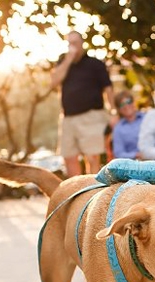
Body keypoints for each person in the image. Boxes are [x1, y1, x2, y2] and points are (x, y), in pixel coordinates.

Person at [50, 31, 116, 177]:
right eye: (69, 43)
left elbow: (108, 88)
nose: (72, 46)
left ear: (82, 44)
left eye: (75, 43)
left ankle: (92, 191)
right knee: (69, 157)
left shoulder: (95, 64)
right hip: (68, 118)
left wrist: (112, 112)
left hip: (91, 116)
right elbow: (54, 82)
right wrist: (68, 59)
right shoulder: (63, 63)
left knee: (92, 157)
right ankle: (76, 192)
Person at [111, 90, 144, 160]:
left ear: (133, 103)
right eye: (122, 104)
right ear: (119, 109)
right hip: (134, 163)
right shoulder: (118, 129)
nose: (126, 106)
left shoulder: (146, 118)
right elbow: (118, 153)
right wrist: (136, 155)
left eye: (128, 102)